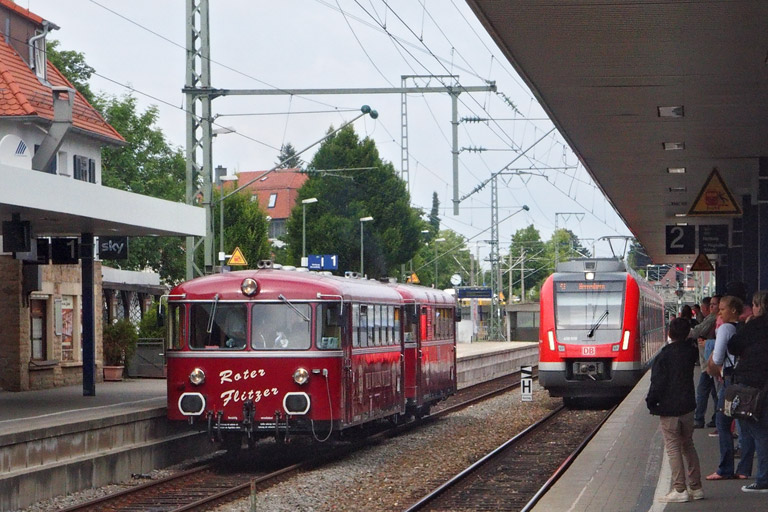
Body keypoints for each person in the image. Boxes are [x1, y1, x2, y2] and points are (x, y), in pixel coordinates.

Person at [646, 317, 703, 502]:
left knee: (672, 447)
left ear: (669, 332)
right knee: (688, 444)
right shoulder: (690, 352)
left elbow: (657, 384)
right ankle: (696, 487)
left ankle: (680, 489)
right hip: (688, 406)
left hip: (669, 409)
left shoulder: (664, 356)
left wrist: (651, 402)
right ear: (687, 333)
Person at [728, 290, 768, 492]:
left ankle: (763, 480)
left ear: (760, 306)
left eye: (754, 304)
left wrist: (746, 324)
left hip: (755, 385)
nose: (752, 308)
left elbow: (733, 346)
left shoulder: (754, 326)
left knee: (759, 432)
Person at [705, 295, 743, 480]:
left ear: (733, 310)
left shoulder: (726, 328)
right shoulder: (743, 327)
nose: (719, 312)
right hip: (744, 378)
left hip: (729, 379)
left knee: (722, 422)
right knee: (745, 422)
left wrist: (714, 366)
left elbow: (718, 357)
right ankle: (743, 469)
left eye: (722, 309)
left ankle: (725, 469)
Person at [692, 296, 720, 428]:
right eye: (711, 305)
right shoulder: (714, 318)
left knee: (704, 391)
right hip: (710, 362)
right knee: (714, 393)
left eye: (714, 304)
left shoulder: (714, 319)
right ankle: (715, 418)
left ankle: (700, 419)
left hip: (711, 362)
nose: (711, 307)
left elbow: (699, 331)